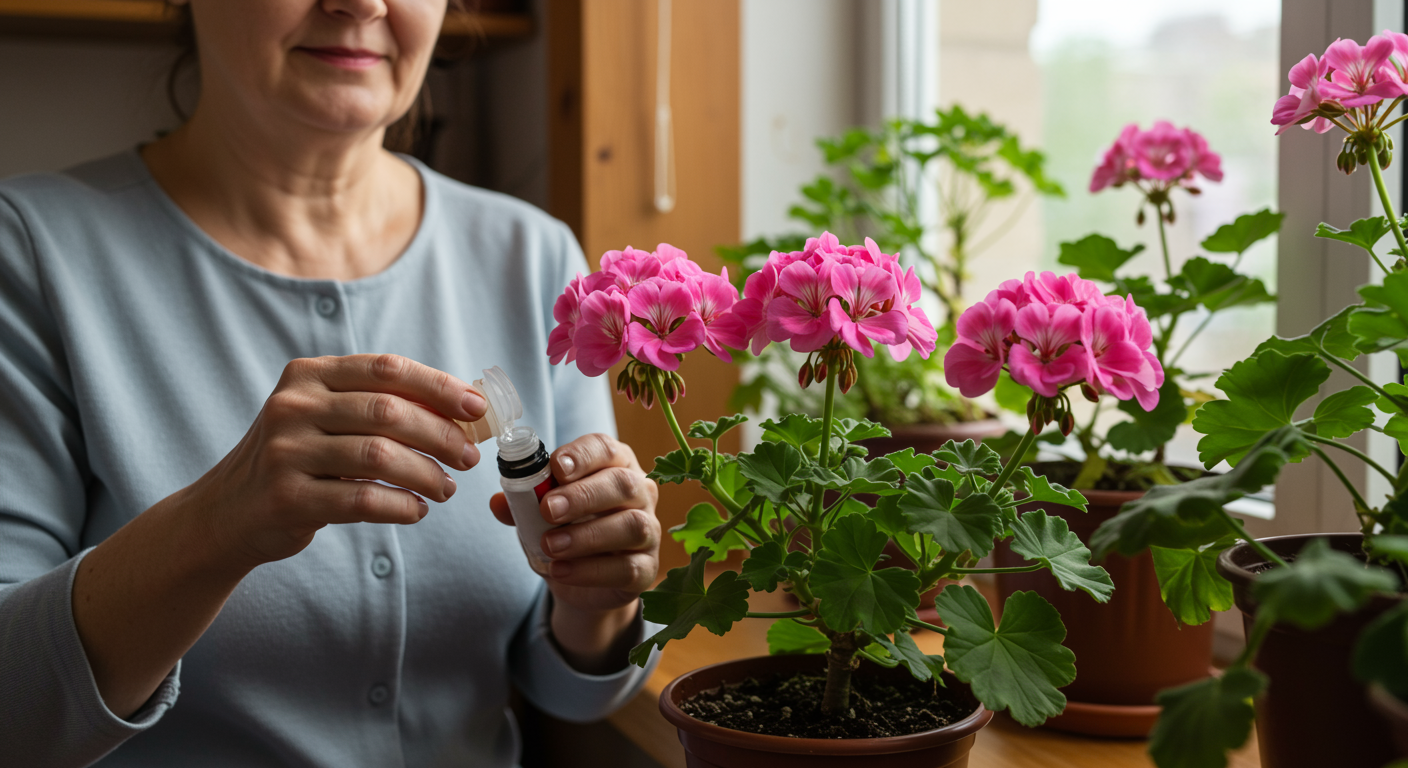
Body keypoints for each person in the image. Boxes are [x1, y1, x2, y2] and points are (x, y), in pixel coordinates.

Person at [0, 0, 664, 765]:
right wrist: (213, 528)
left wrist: (602, 600)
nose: (362, 3)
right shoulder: (32, 254)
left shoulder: (533, 257)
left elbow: (571, 686)